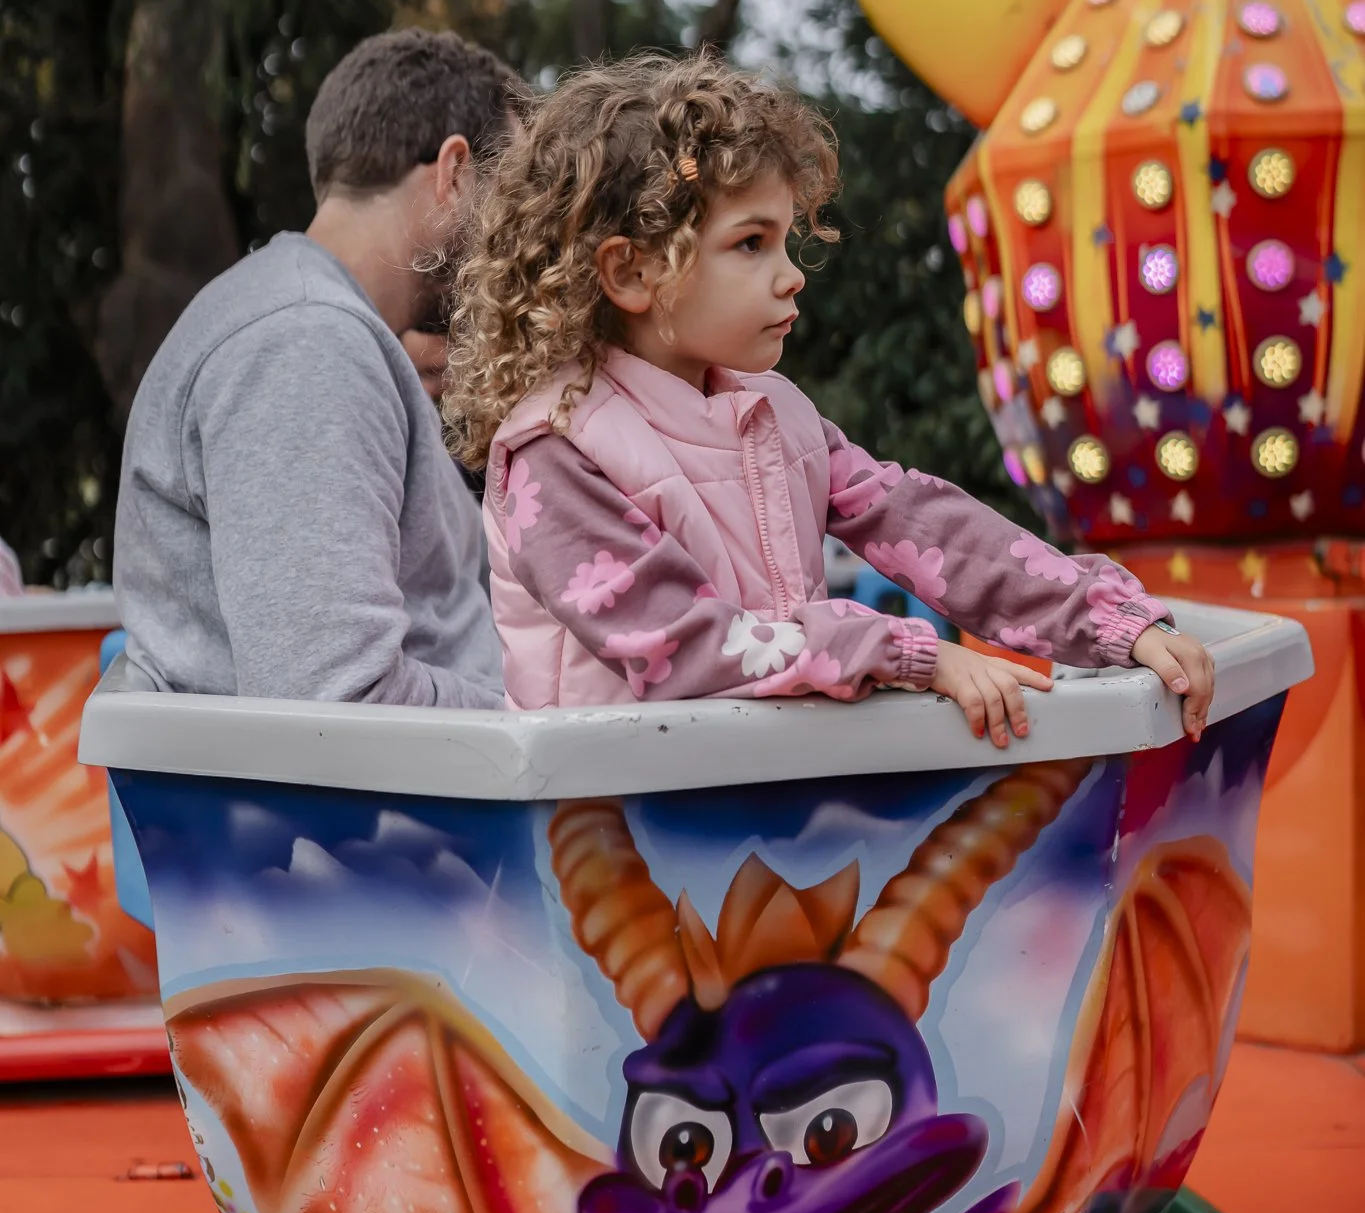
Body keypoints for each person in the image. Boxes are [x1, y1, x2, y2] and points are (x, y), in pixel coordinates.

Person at [444, 53, 1214, 745]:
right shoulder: (555, 449)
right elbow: (676, 644)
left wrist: (1111, 622)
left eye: (786, 240)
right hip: (604, 846)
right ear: (632, 272)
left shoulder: (776, 415)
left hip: (755, 815)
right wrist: (901, 651)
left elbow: (928, 527)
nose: (791, 274)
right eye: (750, 243)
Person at [115, 28, 519, 705]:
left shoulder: (325, 329)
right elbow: (338, 702)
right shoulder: (305, 342)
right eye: (513, 193)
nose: (521, 235)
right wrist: (553, 721)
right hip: (415, 807)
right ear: (455, 174)